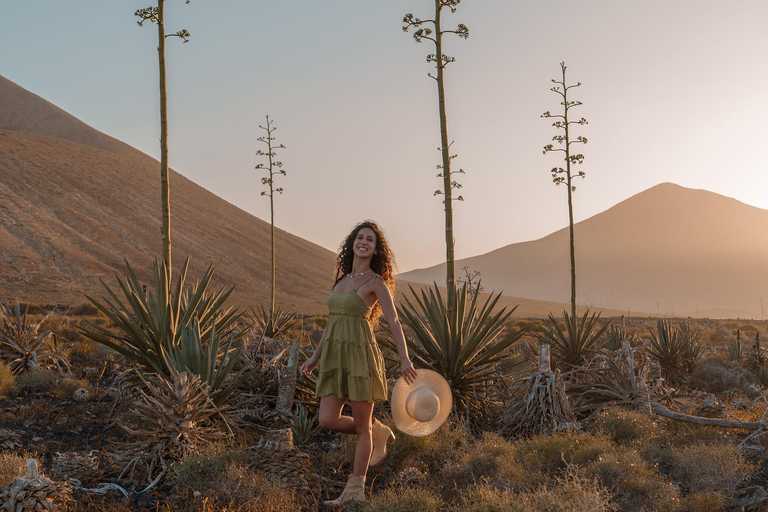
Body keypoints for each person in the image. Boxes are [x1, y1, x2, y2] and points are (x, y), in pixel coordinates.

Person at [300, 220, 418, 506]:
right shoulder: (341, 281)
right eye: (360, 237)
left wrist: (404, 358)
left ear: (376, 250)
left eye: (370, 240)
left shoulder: (375, 282)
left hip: (360, 357)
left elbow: (394, 320)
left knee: (361, 426)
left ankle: (355, 490)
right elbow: (332, 324)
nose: (364, 242)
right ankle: (378, 430)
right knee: (327, 419)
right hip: (334, 358)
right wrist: (315, 357)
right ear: (352, 242)